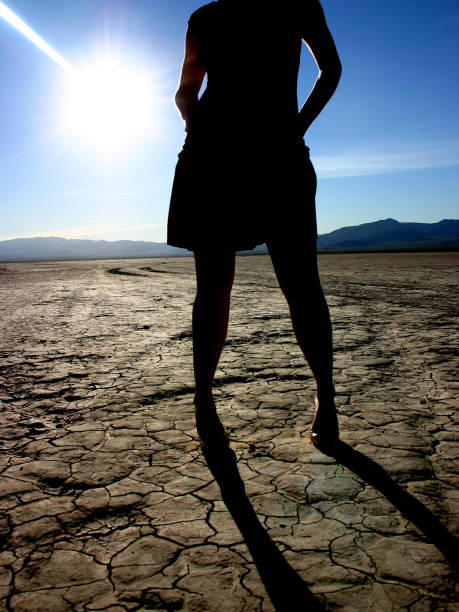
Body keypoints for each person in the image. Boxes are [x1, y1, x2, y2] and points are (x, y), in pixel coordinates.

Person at [167, 0, 342, 450]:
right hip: (215, 160)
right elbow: (187, 88)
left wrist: (295, 127)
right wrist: (192, 119)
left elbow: (331, 69)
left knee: (298, 285)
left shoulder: (296, 4)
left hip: (273, 158)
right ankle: (205, 402)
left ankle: (326, 399)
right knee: (219, 288)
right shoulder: (205, 18)